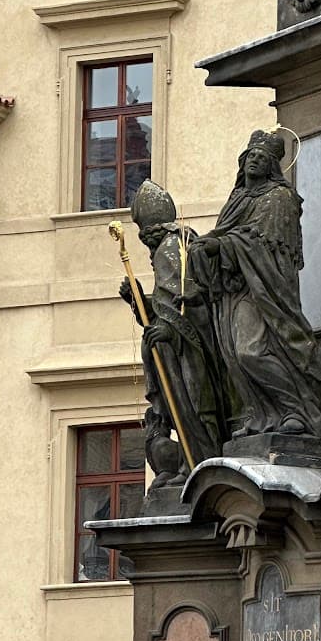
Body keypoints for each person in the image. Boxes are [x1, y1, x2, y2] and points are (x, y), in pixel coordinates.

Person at [189, 129, 321, 439]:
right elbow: (226, 232)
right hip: (236, 287)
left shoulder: (279, 198)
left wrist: (222, 246)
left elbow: (266, 248)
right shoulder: (237, 198)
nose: (255, 161)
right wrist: (205, 245)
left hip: (265, 289)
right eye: (252, 156)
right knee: (236, 357)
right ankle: (261, 415)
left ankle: (296, 410)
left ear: (272, 167)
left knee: (251, 351)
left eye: (263, 158)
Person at [119, 179, 233, 478]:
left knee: (195, 405)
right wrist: (137, 300)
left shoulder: (170, 247)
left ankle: (199, 463)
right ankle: (190, 463)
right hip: (177, 350)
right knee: (184, 406)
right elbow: (164, 308)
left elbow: (191, 307)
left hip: (189, 353)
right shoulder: (174, 246)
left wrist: (171, 332)